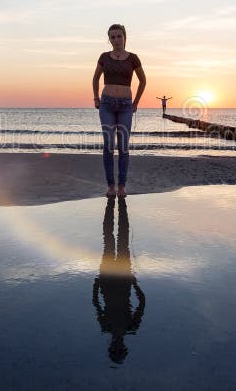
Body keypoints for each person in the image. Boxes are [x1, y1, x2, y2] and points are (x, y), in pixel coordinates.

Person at [92, 24, 146, 198]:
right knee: (108, 145)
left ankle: (122, 187)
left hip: (125, 105)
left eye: (119, 36)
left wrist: (135, 103)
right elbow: (95, 78)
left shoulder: (133, 58)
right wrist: (96, 98)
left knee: (123, 146)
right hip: (106, 104)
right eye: (113, 37)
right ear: (109, 39)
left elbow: (143, 81)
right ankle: (110, 186)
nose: (116, 40)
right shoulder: (104, 57)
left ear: (125, 37)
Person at [92, 197, 145, 364]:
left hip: (108, 278)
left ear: (111, 347)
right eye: (120, 349)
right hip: (123, 278)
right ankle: (120, 203)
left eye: (115, 349)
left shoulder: (106, 327)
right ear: (124, 347)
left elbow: (96, 303)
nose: (117, 346)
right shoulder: (131, 327)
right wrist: (134, 283)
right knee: (121, 238)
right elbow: (142, 303)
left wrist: (96, 283)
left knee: (109, 238)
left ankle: (112, 203)